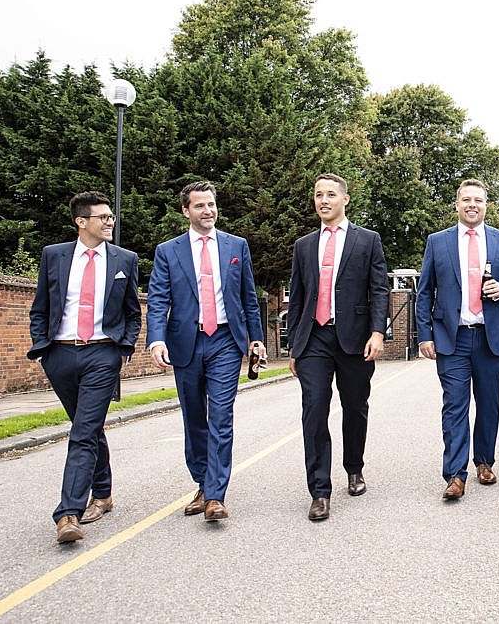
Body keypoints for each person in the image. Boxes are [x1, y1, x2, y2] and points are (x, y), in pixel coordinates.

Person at [146, 181, 266, 521]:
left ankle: (215, 496)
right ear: (186, 210)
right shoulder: (168, 251)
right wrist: (156, 339)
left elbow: (248, 298)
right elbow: (158, 300)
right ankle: (202, 481)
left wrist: (255, 339)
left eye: (211, 204)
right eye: (200, 206)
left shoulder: (236, 246)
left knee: (221, 417)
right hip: (185, 342)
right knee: (194, 417)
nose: (208, 211)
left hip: (226, 341)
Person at [28, 191, 141, 543]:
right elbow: (40, 308)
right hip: (59, 355)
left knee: (81, 433)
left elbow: (132, 312)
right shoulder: (54, 255)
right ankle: (103, 492)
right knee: (88, 428)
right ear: (81, 221)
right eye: (103, 217)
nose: (110, 222)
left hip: (102, 355)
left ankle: (68, 514)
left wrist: (122, 349)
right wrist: (43, 348)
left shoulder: (125, 259)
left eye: (111, 217)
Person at [286, 173, 389, 522]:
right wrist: (293, 347)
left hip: (355, 339)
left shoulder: (368, 240)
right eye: (318, 195)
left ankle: (354, 467)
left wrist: (377, 332)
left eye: (331, 194)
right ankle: (319, 490)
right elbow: (297, 298)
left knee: (355, 406)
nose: (323, 200)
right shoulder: (303, 246)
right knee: (314, 408)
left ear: (345, 199)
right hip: (314, 337)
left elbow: (379, 290)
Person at [416, 179, 499, 500]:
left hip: (490, 337)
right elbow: (424, 293)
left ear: (486, 206)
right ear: (457, 204)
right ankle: (455, 474)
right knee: (455, 406)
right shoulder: (438, 242)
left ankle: (485, 461)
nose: (472, 205)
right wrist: (425, 335)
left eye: (478, 200)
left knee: (489, 404)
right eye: (466, 200)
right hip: (452, 339)